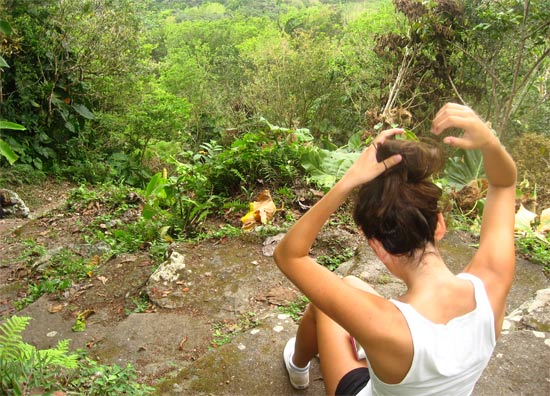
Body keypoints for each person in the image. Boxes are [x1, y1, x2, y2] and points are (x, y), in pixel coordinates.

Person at [273, 103, 517, 396]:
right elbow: (504, 184)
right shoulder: (492, 285)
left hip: (386, 357)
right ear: (439, 224)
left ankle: (297, 367)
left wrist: (349, 180)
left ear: (376, 246)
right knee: (350, 285)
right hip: (401, 354)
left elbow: (289, 255)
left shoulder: (386, 324)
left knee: (324, 304)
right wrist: (489, 141)